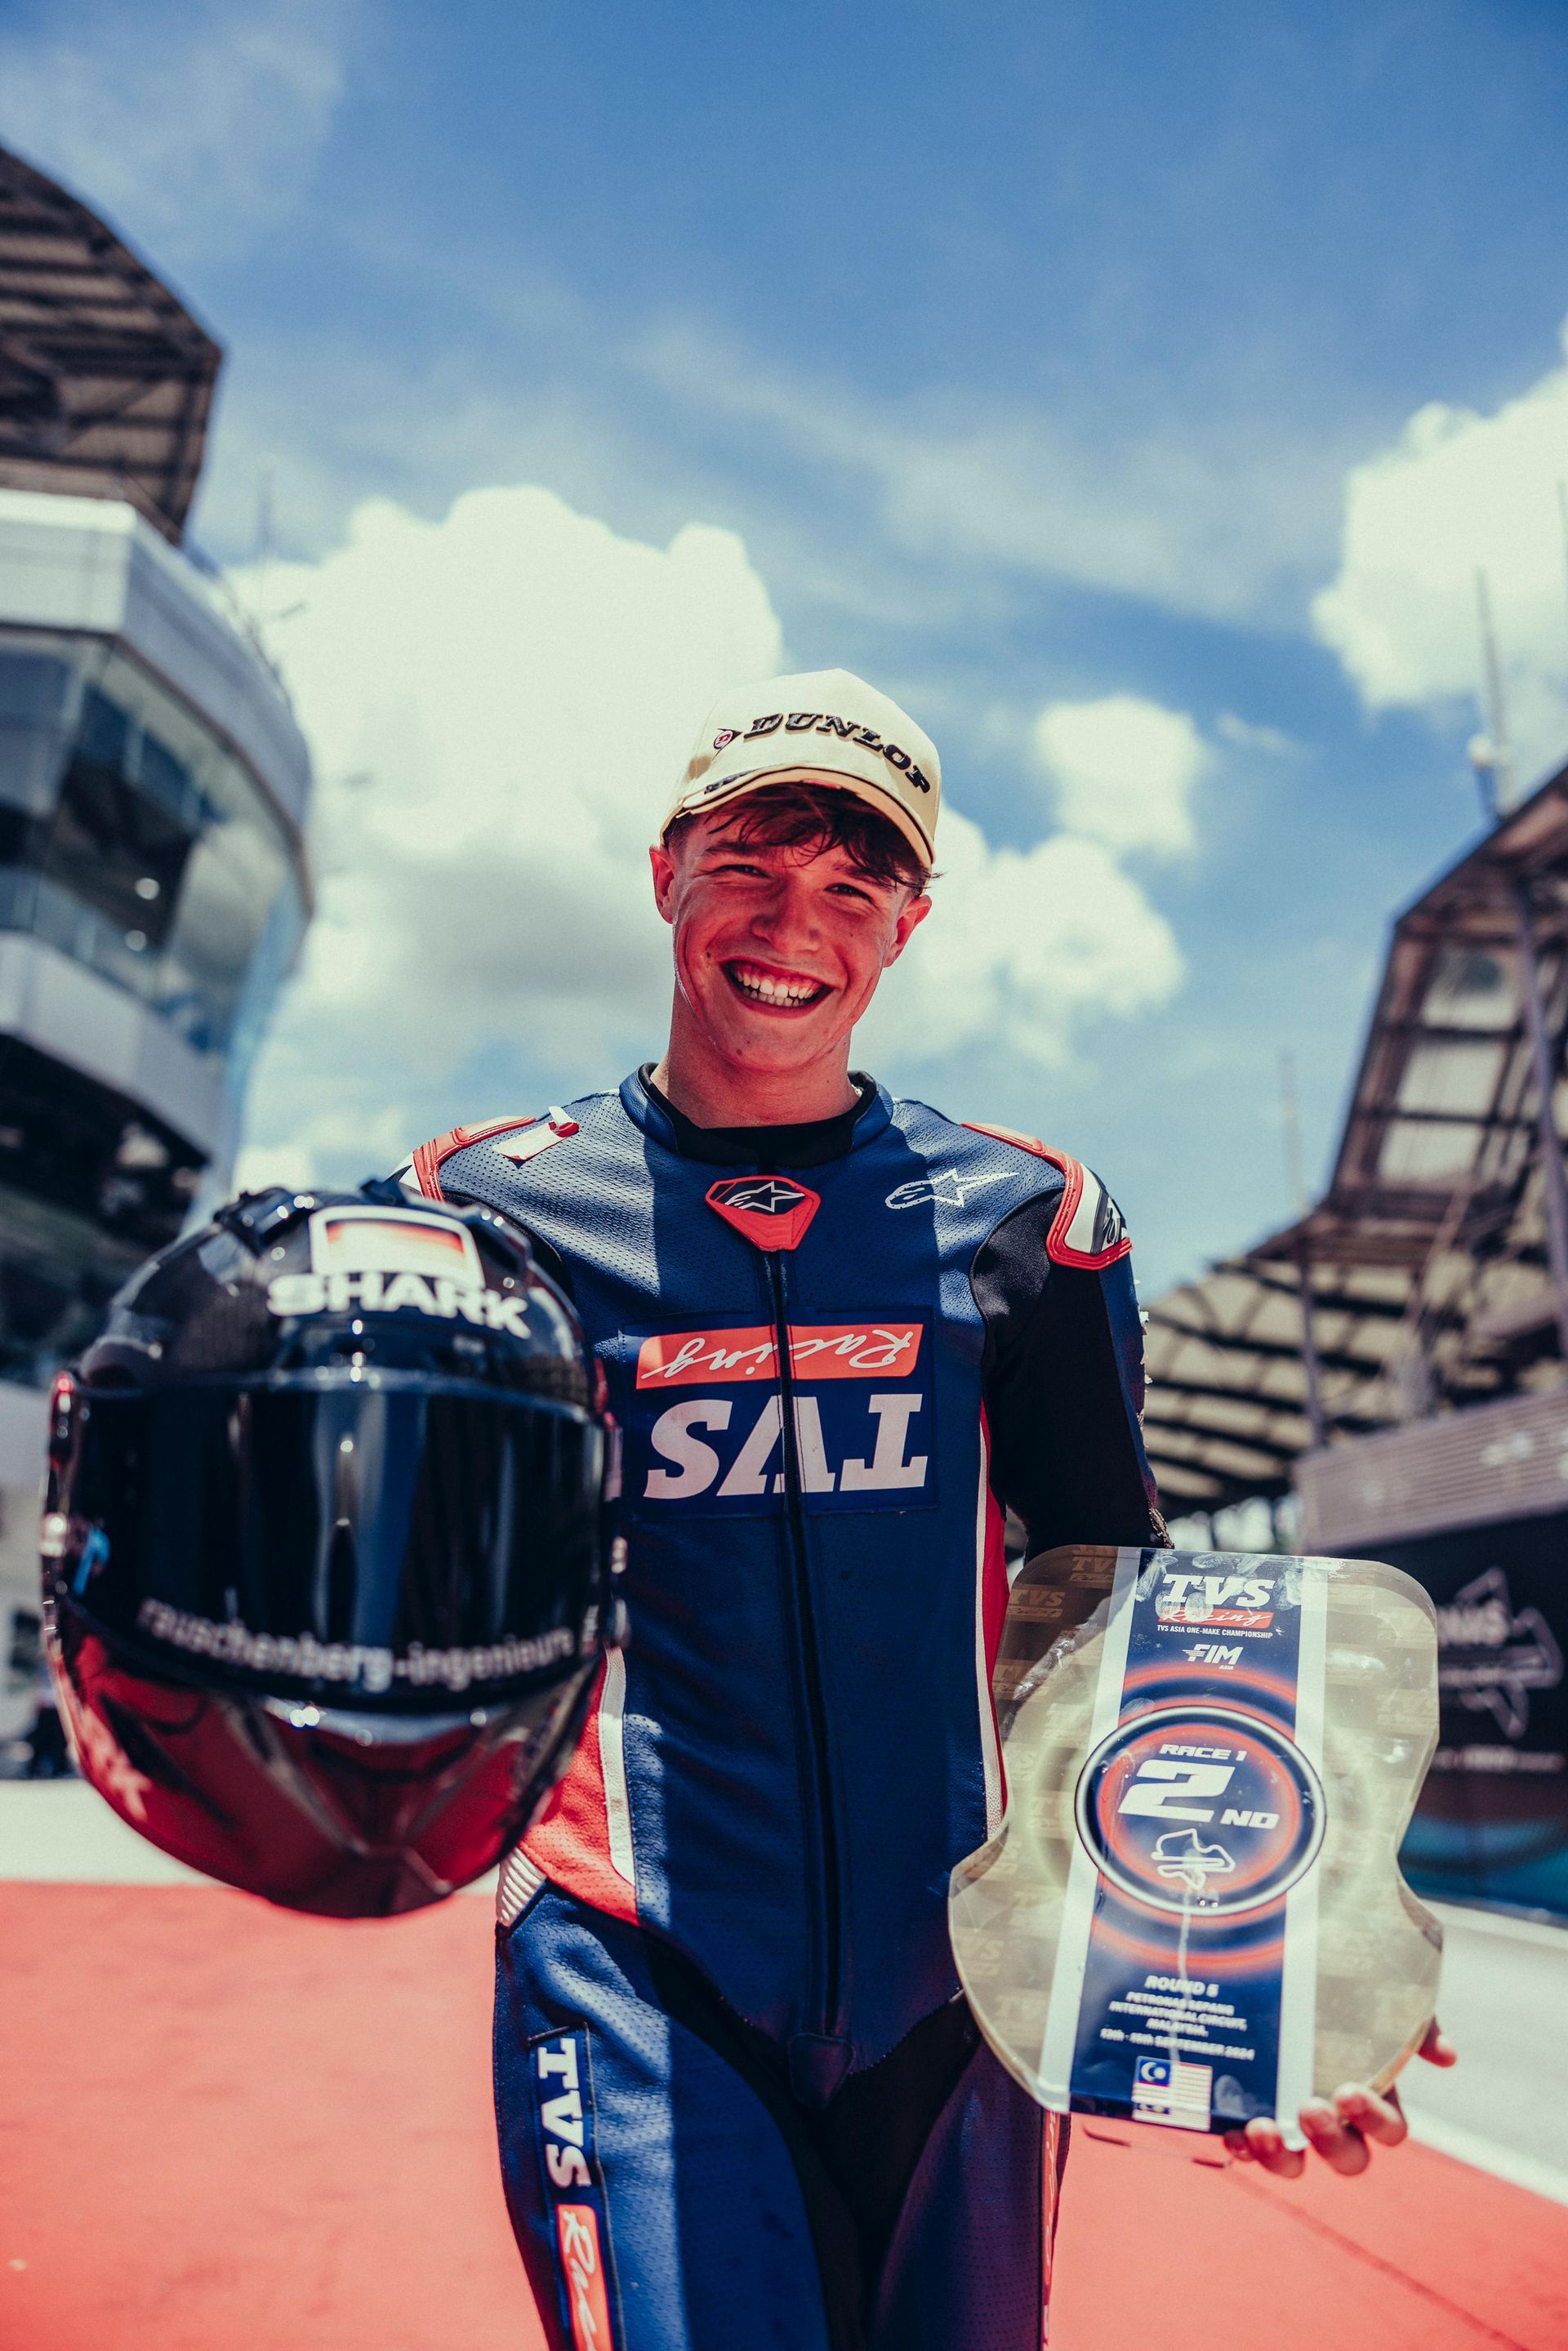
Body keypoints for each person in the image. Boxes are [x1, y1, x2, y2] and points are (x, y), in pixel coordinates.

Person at [398, 669, 1453, 2351]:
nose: (791, 925)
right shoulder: (479, 1214)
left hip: (963, 1994)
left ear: (911, 922)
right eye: (749, 864)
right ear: (665, 872)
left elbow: (1127, 1625)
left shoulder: (1030, 1222)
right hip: (632, 1968)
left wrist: (1269, 1980)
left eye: (853, 883)